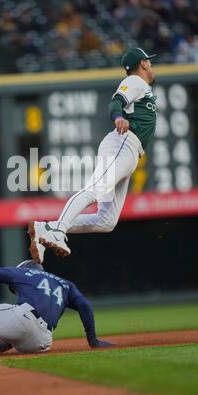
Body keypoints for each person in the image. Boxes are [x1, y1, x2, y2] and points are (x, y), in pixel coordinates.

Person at [28, 47, 157, 264]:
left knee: (107, 221)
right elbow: (116, 102)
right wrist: (117, 117)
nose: (151, 66)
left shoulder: (142, 86)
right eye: (149, 62)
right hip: (122, 143)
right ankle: (58, 231)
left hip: (130, 152)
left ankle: (45, 227)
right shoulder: (136, 82)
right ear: (143, 63)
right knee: (95, 189)